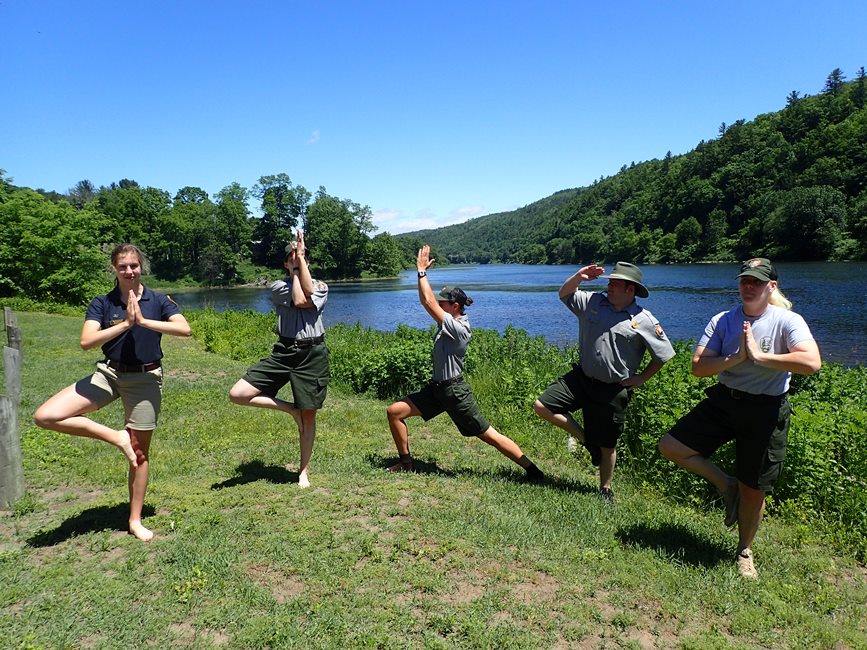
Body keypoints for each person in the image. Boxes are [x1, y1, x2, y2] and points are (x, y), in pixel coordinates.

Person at [658, 258, 820, 578]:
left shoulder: (788, 321)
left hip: (766, 410)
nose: (748, 287)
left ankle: (744, 550)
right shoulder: (723, 320)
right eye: (744, 280)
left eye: (756, 282)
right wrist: (736, 357)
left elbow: (811, 362)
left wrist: (759, 357)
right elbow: (699, 367)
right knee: (671, 446)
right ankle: (725, 484)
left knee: (754, 487)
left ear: (771, 286)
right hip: (724, 402)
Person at [33, 244, 191, 541]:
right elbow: (86, 341)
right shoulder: (102, 303)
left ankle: (134, 520)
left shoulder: (159, 300)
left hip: (145, 378)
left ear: (141, 266)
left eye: (134, 265)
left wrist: (143, 321)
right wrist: (125, 325)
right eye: (123, 267)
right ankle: (117, 437)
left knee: (140, 454)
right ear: (114, 269)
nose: (129, 271)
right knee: (46, 416)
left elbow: (184, 329)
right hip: (109, 374)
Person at [385, 245, 544, 481]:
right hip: (436, 390)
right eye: (439, 302)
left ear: (455, 306)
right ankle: (406, 463)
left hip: (454, 392)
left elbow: (428, 303)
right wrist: (421, 278)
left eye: (443, 303)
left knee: (487, 434)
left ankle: (532, 470)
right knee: (394, 412)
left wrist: (421, 273)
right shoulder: (447, 322)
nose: (439, 305)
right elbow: (425, 301)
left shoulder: (458, 328)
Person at [534, 262, 675, 502]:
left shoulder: (644, 320)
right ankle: (587, 440)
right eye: (609, 282)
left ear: (630, 290)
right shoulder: (593, 302)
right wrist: (578, 277)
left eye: (614, 283)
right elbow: (564, 294)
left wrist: (641, 378)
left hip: (612, 389)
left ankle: (605, 490)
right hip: (581, 378)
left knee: (608, 444)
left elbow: (663, 355)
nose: (608, 286)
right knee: (542, 406)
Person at [229, 230, 329, 489]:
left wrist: (301, 265)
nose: (295, 259)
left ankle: (303, 471)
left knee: (309, 416)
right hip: (284, 351)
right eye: (291, 257)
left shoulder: (322, 286)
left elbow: (305, 296)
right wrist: (296, 271)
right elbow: (298, 298)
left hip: (313, 354)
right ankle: (289, 408)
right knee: (238, 394)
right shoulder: (277, 286)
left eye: (300, 256)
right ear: (285, 263)